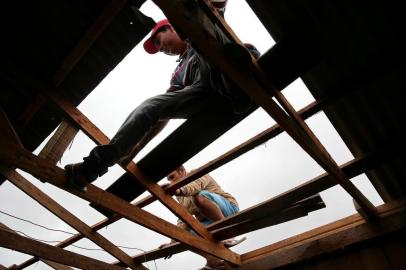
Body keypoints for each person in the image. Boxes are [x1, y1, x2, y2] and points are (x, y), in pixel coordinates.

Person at [64, 2, 260, 191]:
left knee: (202, 32)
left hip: (226, 55)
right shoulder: (178, 74)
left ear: (172, 27)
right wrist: (137, 148)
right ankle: (91, 169)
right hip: (205, 94)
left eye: (159, 41)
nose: (161, 49)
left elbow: (217, 5)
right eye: (158, 49)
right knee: (150, 106)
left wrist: (198, 10)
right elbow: (163, 111)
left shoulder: (197, 26)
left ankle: (233, 80)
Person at [159, 165, 244, 270]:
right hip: (209, 221)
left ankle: (226, 233)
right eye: (169, 180)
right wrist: (173, 242)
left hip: (228, 210)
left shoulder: (197, 174)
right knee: (184, 235)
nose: (171, 182)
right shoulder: (179, 195)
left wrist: (178, 191)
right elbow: (183, 217)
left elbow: (194, 188)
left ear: (182, 171)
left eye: (172, 177)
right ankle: (212, 260)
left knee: (199, 196)